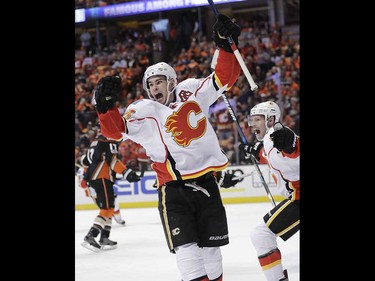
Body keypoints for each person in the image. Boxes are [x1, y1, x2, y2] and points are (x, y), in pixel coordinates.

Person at [91, 14, 241, 281]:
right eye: (150, 83)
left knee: (213, 254)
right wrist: (105, 107)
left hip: (207, 184)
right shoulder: (143, 109)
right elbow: (115, 132)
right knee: (188, 254)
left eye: (158, 81)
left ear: (171, 82)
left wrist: (225, 46)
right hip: (174, 190)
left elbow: (224, 78)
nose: (153, 87)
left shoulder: (191, 91)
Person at [241, 101, 300, 281]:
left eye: (258, 119)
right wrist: (256, 152)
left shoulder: (281, 134)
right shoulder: (268, 140)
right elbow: (271, 155)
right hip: (295, 196)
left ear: (271, 119)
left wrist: (292, 146)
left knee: (261, 234)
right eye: (252, 120)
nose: (253, 124)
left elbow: (292, 149)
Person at [80, 134, 141, 252]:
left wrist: (85, 176)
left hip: (94, 178)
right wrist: (126, 172)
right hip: (102, 177)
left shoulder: (95, 141)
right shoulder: (109, 140)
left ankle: (104, 237)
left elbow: (86, 161)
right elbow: (112, 160)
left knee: (110, 208)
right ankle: (91, 235)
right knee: (107, 208)